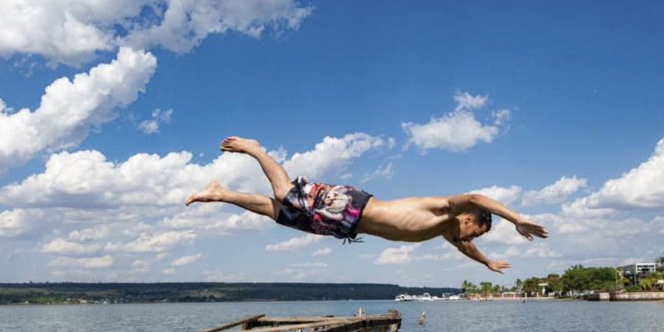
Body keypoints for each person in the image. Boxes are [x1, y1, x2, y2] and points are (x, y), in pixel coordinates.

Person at [185, 137, 549, 272]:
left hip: (346, 226)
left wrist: (487, 263)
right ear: (469, 217)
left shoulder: (449, 233)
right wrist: (517, 219)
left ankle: (221, 193)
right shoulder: (445, 210)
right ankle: (255, 149)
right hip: (352, 207)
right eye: (476, 231)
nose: (472, 238)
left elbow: (465, 248)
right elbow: (476, 197)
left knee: (282, 215)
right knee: (285, 194)